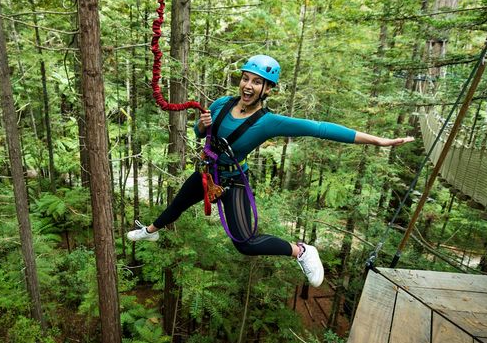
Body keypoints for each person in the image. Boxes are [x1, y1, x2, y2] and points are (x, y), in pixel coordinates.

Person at [128, 54, 414, 288]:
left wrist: (378, 141)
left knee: (245, 244)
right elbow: (201, 133)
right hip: (208, 172)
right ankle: (151, 231)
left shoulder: (269, 122)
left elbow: (320, 129)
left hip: (232, 181)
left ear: (268, 89)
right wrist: (201, 126)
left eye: (257, 82)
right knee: (178, 204)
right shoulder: (220, 104)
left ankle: (301, 250)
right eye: (246, 78)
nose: (248, 86)